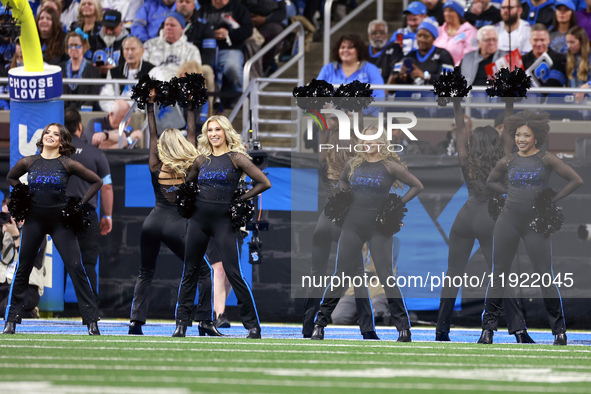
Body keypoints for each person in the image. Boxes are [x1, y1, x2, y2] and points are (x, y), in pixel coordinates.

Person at [311, 124, 424, 341]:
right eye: (365, 140)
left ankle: (403, 328)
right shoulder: (353, 163)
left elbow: (417, 185)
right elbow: (343, 180)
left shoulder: (391, 166)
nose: (368, 143)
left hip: (379, 228)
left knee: (386, 275)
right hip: (352, 225)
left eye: (373, 140)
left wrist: (396, 204)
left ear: (381, 141)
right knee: (341, 273)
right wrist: (345, 197)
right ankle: (320, 323)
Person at [479, 110, 583, 345]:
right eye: (517, 135)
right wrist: (506, 193)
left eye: (526, 136)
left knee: (545, 276)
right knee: (498, 276)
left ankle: (559, 332)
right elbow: (491, 182)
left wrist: (551, 199)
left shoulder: (547, 159)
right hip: (508, 221)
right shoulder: (508, 161)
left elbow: (576, 179)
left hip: (535, 224)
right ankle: (487, 331)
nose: (521, 140)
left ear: (535, 138)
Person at [435, 98, 534, 343]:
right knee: (499, 275)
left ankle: (441, 330)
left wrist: (457, 104)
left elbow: (460, 130)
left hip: (465, 217)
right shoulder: (503, 158)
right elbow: (510, 128)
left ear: (473, 144)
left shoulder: (466, 159)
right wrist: (509, 101)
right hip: (491, 220)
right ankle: (517, 330)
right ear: (495, 142)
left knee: (453, 274)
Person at [128, 89, 222, 337]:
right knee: (202, 271)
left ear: (161, 147)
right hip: (176, 224)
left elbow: (152, 134)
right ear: (181, 144)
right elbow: (192, 131)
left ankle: (135, 322)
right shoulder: (189, 164)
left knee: (145, 272)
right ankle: (203, 321)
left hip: (152, 222)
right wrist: (190, 104)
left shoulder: (154, 164)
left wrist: (150, 106)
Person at [173, 115, 271, 338]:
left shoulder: (237, 158)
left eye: (218, 129)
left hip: (223, 223)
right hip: (198, 222)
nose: (214, 134)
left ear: (226, 132)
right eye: (210, 130)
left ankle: (253, 326)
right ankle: (181, 324)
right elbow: (188, 187)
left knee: (234, 273)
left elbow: (265, 182)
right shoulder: (201, 160)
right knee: (190, 272)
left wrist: (240, 198)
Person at [3, 123, 102, 335]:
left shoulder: (67, 163)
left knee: (76, 267)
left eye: (55, 134)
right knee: (23, 268)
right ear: (42, 138)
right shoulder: (28, 161)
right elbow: (11, 177)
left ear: (61, 141)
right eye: (47, 132)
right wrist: (23, 194)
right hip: (34, 221)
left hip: (60, 223)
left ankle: (92, 321)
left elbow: (97, 181)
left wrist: (79, 205)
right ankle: (11, 321)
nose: (50, 135)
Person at [302, 122, 376, 339]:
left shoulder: (324, 157)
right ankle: (368, 329)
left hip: (323, 223)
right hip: (345, 224)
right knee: (358, 277)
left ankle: (307, 327)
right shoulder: (358, 164)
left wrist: (327, 123)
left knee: (316, 276)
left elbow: (323, 134)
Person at [64, 108, 114, 299]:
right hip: (86, 212)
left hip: (60, 211)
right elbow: (107, 188)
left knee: (60, 263)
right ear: (79, 126)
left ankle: (54, 310)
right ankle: (91, 308)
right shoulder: (95, 154)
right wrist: (107, 216)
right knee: (88, 263)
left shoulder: (55, 153)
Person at [199, 0, 254, 107]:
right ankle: (206, 102)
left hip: (230, 47)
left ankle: (239, 96)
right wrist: (208, 34)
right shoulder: (203, 9)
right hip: (206, 49)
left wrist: (229, 33)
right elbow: (196, 28)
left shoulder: (238, 7)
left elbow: (248, 30)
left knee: (232, 67)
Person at [388, 18, 454, 86]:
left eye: (426, 37)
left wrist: (424, 75)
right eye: (419, 36)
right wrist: (403, 78)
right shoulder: (409, 57)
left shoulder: (443, 55)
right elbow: (395, 85)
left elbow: (448, 81)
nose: (421, 39)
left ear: (433, 38)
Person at [317, 34, 385, 100]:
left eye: (350, 47)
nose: (345, 50)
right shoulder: (327, 69)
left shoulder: (371, 69)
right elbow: (316, 94)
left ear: (358, 50)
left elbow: (379, 96)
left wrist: (360, 110)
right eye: (342, 47)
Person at [99, 36, 155, 112]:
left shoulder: (152, 70)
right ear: (123, 53)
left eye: (133, 49)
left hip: (141, 115)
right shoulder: (113, 72)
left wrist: (135, 110)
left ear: (142, 51)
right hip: (118, 114)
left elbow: (154, 98)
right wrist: (116, 110)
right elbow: (105, 98)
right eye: (126, 49)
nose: (129, 53)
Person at [143, 12, 203, 82]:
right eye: (166, 25)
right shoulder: (149, 45)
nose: (168, 28)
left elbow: (194, 71)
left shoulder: (192, 50)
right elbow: (141, 68)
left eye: (172, 25)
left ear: (182, 29)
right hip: (152, 84)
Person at [61, 31, 101, 111]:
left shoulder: (92, 70)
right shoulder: (60, 68)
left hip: (85, 112)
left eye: (76, 46)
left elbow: (93, 95)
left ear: (84, 47)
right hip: (64, 112)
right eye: (70, 46)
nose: (73, 49)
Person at [434, 0, 478, 66]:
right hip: (436, 71)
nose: (447, 13)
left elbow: (470, 56)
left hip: (458, 72)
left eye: (451, 10)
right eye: (445, 10)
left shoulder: (470, 32)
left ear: (459, 13)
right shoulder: (439, 30)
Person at [88, 9, 129, 76]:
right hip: (95, 81)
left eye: (112, 28)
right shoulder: (93, 39)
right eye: (107, 27)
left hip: (118, 82)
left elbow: (131, 68)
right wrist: (93, 69)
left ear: (121, 25)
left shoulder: (128, 42)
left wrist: (114, 70)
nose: (109, 32)